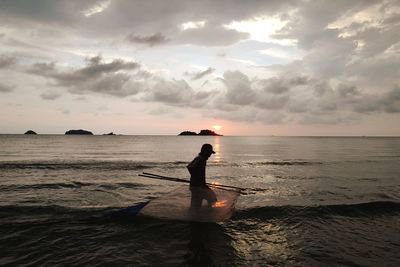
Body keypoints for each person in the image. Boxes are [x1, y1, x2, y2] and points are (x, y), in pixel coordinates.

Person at [187, 144, 217, 209]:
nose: (210, 155)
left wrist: (200, 181)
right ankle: (204, 214)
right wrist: (197, 180)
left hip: (199, 186)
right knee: (211, 198)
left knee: (198, 204)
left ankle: (199, 214)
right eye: (209, 153)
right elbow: (190, 167)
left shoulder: (202, 158)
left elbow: (191, 168)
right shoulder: (200, 158)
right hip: (197, 187)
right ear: (205, 151)